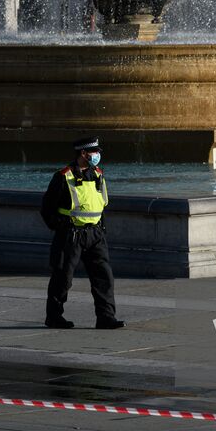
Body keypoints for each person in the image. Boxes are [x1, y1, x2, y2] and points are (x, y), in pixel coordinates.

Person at [40, 136, 124, 331]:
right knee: (63, 277)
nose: (97, 155)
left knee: (104, 277)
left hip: (95, 234)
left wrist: (101, 228)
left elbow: (100, 204)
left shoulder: (98, 174)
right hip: (72, 235)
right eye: (94, 152)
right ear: (83, 153)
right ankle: (54, 317)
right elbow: (47, 208)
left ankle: (105, 317)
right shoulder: (63, 176)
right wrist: (62, 228)